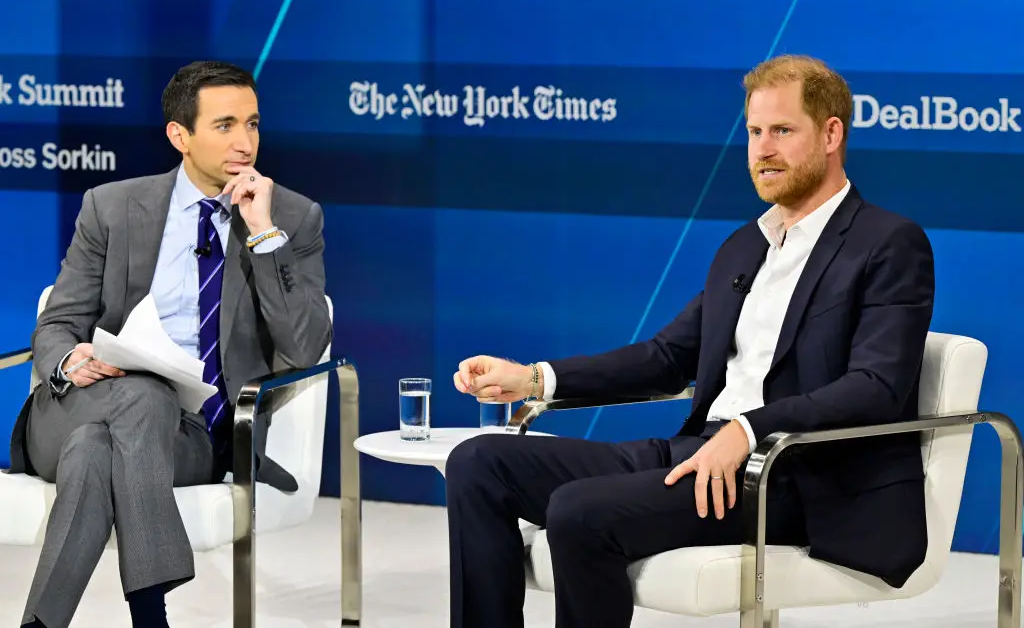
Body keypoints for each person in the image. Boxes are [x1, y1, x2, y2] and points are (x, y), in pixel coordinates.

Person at [446, 54, 934, 628]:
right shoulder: (745, 246)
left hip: (795, 476)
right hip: (699, 451)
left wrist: (749, 429)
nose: (762, 149)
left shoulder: (887, 243)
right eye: (754, 131)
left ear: (831, 134)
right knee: (479, 463)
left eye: (782, 130)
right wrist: (533, 378)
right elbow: (666, 357)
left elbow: (876, 388)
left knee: (578, 510)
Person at [6, 60, 332, 628]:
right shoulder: (111, 208)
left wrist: (262, 233)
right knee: (138, 398)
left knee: (96, 450)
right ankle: (151, 615)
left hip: (195, 435)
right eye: (225, 125)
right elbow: (58, 321)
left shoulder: (292, 219)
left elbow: (304, 348)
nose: (245, 142)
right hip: (75, 403)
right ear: (180, 136)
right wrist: (67, 359)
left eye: (253, 124)